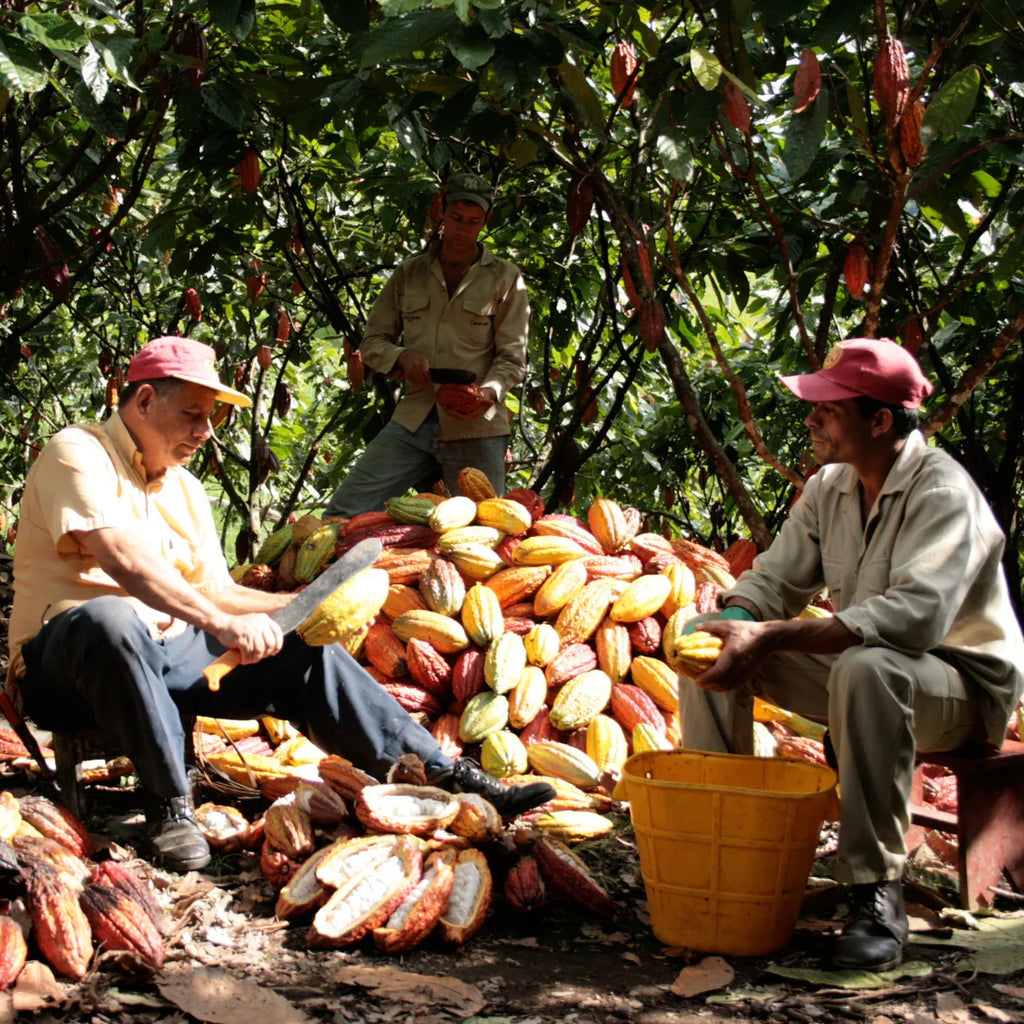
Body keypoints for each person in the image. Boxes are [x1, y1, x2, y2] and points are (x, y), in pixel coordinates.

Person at [6, 336, 554, 873]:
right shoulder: (77, 452)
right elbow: (121, 556)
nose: (205, 431)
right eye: (194, 414)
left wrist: (294, 605)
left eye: (211, 417)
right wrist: (221, 623)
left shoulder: (185, 490)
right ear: (145, 401)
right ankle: (170, 809)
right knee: (112, 617)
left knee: (300, 651)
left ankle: (439, 772)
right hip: (65, 665)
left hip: (164, 651)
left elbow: (217, 591)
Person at [677, 338, 1024, 971]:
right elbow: (773, 580)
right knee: (701, 643)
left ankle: (875, 897)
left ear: (880, 420)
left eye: (828, 409)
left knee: (870, 667)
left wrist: (775, 636)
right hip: (876, 673)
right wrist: (734, 623)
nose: (811, 420)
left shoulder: (943, 492)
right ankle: (724, 853)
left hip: (965, 688)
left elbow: (912, 620)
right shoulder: (831, 487)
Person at [325, 172, 529, 516]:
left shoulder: (506, 278)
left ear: (485, 221)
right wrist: (401, 356)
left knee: (484, 532)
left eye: (474, 222)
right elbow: (372, 341)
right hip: (414, 418)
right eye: (456, 219)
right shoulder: (410, 273)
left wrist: (488, 393)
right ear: (441, 212)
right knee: (344, 513)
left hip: (476, 427)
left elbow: (512, 358)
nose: (463, 229)